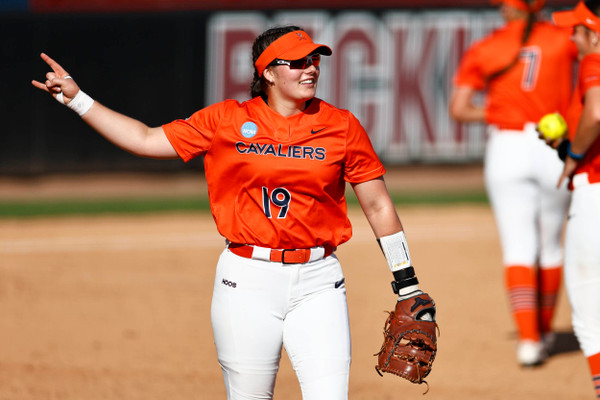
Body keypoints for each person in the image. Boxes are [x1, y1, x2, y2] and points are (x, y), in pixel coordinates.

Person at [32, 26, 435, 400]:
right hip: (246, 281)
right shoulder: (226, 120)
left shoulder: (341, 126)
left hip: (320, 282)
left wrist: (407, 282)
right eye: (298, 62)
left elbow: (378, 204)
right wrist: (78, 99)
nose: (311, 68)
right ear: (268, 72)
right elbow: (145, 139)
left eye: (314, 59)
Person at [449, 0, 577, 367]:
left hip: (507, 146)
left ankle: (528, 340)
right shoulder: (562, 37)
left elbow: (459, 108)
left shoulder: (487, 46)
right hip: (552, 143)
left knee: (518, 247)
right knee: (550, 246)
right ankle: (546, 332)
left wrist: (497, 110)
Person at [543, 2, 600, 397]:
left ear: (594, 33)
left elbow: (596, 113)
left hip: (594, 192)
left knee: (589, 315)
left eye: (577, 30)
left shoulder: (593, 60)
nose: (572, 37)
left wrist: (574, 156)